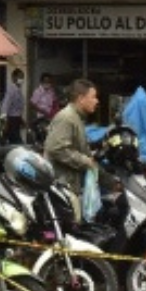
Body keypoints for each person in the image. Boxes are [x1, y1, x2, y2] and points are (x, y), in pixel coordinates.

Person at [43, 78, 101, 206]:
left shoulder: (76, 117)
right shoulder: (67, 118)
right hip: (61, 187)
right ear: (81, 98)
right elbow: (57, 148)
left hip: (70, 185)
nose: (96, 101)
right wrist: (85, 161)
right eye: (93, 97)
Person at [0, 69, 26, 143]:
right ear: (13, 78)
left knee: (14, 141)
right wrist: (4, 121)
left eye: (22, 77)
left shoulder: (18, 89)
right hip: (12, 120)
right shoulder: (12, 89)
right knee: (17, 142)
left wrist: (21, 119)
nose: (21, 79)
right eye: (19, 77)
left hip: (16, 119)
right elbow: (5, 104)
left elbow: (17, 108)